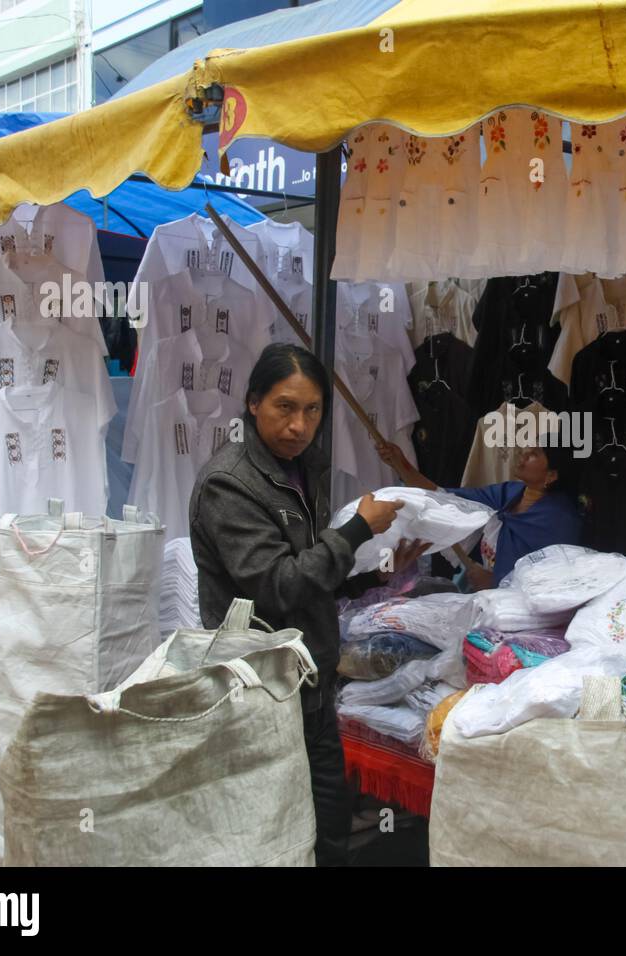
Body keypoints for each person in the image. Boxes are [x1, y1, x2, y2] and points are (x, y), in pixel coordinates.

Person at [189, 344, 428, 866]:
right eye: (285, 407)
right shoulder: (229, 484)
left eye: (313, 410)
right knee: (276, 829)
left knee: (328, 822)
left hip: (311, 682)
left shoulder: (302, 469)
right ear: (253, 403)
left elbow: (315, 574)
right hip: (261, 686)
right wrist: (359, 528)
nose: (299, 424)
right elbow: (278, 584)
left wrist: (381, 572)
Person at [377, 438, 582, 590]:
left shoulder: (560, 520)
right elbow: (445, 498)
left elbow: (551, 581)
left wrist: (496, 582)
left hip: (518, 612)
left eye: (535, 454)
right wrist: (400, 464)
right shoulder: (510, 493)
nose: (525, 453)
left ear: (551, 475)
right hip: (486, 597)